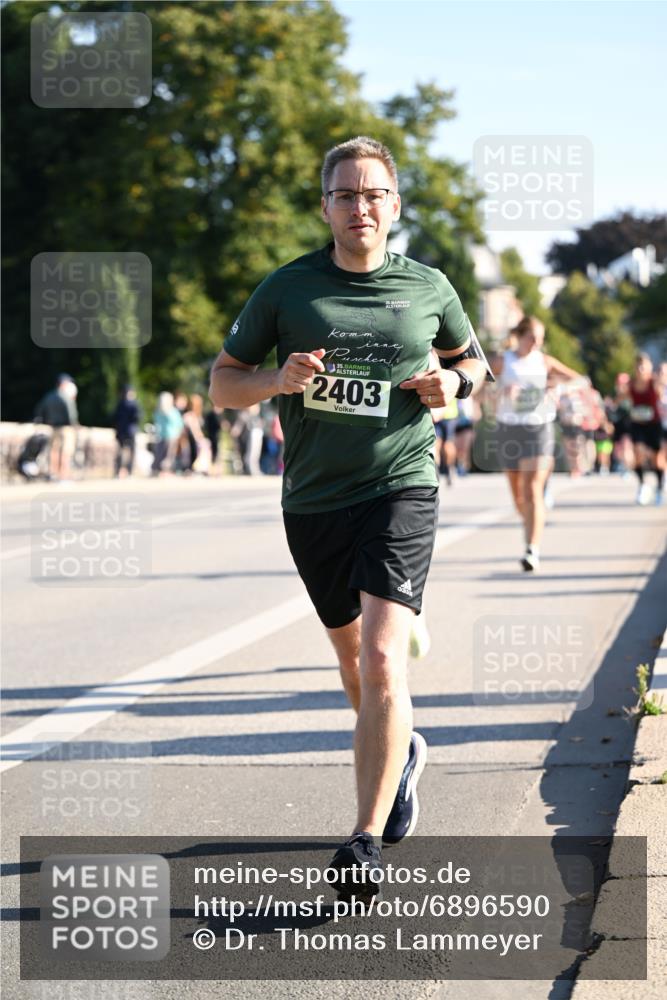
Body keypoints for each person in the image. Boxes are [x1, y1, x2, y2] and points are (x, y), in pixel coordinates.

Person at [209, 136, 492, 899]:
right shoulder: (288, 289)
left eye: (373, 194)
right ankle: (399, 753)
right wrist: (276, 378)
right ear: (325, 205)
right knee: (349, 661)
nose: (359, 206)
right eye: (344, 194)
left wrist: (451, 388)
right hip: (313, 501)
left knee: (378, 658)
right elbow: (222, 387)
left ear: (394, 206)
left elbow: (475, 363)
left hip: (400, 485)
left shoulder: (428, 285)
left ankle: (362, 838)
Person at [493, 316, 583, 572]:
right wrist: (501, 392)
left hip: (539, 427)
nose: (536, 344)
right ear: (520, 336)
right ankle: (532, 520)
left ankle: (532, 549)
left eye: (540, 340)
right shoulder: (503, 360)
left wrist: (557, 389)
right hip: (509, 428)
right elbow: (479, 383)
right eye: (532, 338)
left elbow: (579, 380)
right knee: (518, 493)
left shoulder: (544, 361)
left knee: (533, 488)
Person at [625, 353, 664, 505]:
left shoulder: (654, 381)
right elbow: (623, 397)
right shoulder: (631, 384)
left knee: (657, 461)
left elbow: (661, 395)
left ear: (649, 367)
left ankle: (660, 487)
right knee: (638, 454)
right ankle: (643, 485)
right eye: (639, 365)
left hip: (654, 425)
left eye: (644, 365)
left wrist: (660, 387)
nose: (641, 368)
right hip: (637, 424)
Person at [33, 373, 79, 481]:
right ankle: (64, 475)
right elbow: (72, 414)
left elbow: (39, 410)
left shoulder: (49, 396)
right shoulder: (66, 397)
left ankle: (54, 473)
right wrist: (75, 424)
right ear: (63, 384)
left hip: (53, 427)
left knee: (54, 450)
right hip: (66, 428)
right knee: (66, 451)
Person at [151, 391, 184, 476]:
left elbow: (179, 424)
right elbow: (179, 424)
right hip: (166, 436)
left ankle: (162, 470)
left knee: (165, 454)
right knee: (164, 454)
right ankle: (160, 470)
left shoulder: (168, 412)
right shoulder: (165, 411)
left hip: (167, 436)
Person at [111, 384, 141, 478]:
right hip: (125, 431)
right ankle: (122, 472)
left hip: (126, 431)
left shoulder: (127, 404)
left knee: (127, 453)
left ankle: (125, 471)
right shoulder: (127, 404)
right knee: (123, 453)